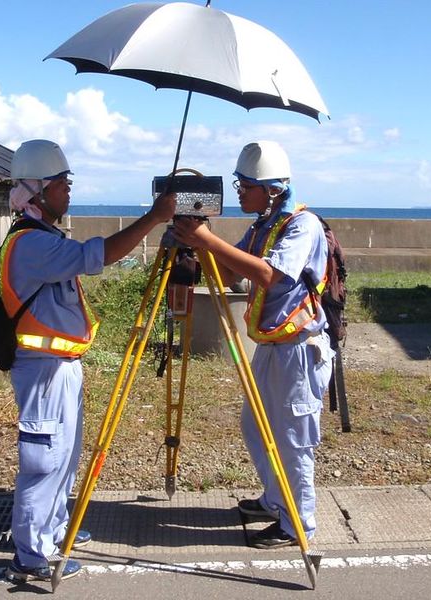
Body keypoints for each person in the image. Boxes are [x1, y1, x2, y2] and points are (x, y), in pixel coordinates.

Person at [3, 139, 175, 582]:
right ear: (36, 190)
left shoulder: (43, 238)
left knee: (65, 454)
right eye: (62, 183)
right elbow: (94, 255)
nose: (68, 191)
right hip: (42, 370)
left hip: (60, 368)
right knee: (44, 457)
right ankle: (31, 554)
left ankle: (56, 527)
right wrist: (155, 219)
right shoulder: (29, 243)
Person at [172, 140, 334, 548]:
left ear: (273, 188)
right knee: (255, 426)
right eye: (239, 183)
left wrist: (207, 240)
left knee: (293, 437)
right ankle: (276, 500)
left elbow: (270, 276)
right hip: (270, 346)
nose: (239, 191)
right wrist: (191, 248)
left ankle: (298, 522)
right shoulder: (262, 226)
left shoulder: (302, 225)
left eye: (245, 184)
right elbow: (229, 272)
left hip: (300, 349)